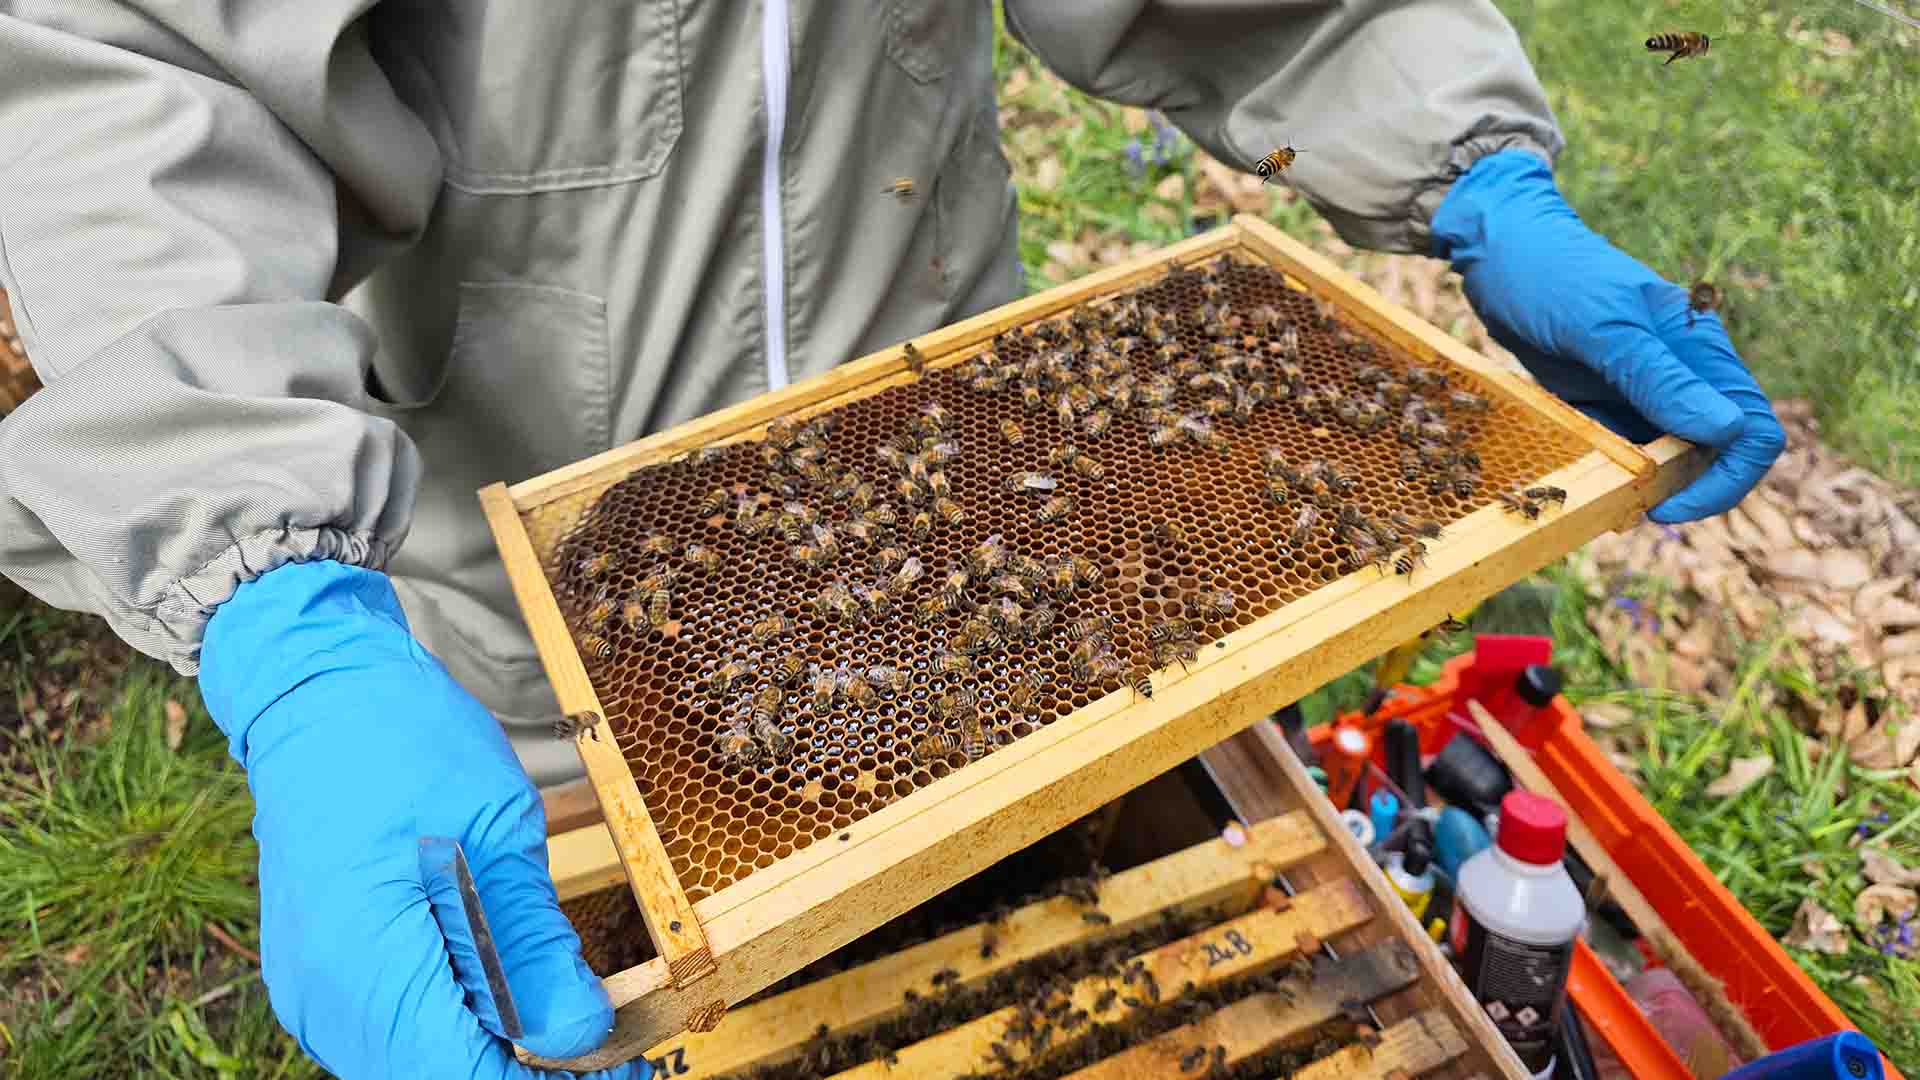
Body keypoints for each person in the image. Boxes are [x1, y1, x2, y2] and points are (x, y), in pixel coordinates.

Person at [0, 3, 1782, 1077]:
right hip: (530, 619)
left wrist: (1459, 153)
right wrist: (270, 592)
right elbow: (130, 63)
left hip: (974, 531)